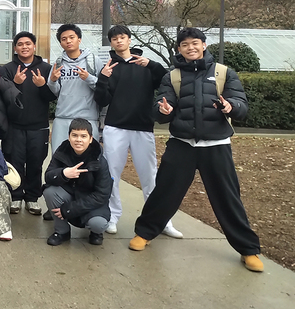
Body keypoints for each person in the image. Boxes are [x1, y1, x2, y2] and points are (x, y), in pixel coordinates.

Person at [130, 28, 264, 273]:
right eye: (184, 44)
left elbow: (242, 106)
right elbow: (159, 106)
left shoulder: (224, 73)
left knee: (227, 198)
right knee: (165, 192)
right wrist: (164, 110)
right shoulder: (173, 76)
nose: (190, 47)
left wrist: (229, 107)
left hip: (216, 146)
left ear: (203, 45)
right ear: (179, 49)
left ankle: (248, 249)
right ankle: (145, 233)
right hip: (182, 144)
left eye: (194, 43)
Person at [94, 25, 182, 238]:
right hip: (115, 127)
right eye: (114, 39)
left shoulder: (145, 64)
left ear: (130, 40)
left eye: (122, 37)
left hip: (143, 127)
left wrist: (151, 64)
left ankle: (160, 220)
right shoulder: (109, 67)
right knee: (111, 174)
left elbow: (166, 81)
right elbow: (101, 100)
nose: (119, 41)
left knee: (149, 176)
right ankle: (112, 216)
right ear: (111, 43)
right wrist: (103, 78)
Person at [0, 31, 55, 216]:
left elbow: (52, 97)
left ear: (34, 46)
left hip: (39, 126)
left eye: (28, 43)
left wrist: (42, 85)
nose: (24, 47)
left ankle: (32, 198)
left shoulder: (46, 68)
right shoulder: (8, 69)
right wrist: (16, 83)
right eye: (20, 44)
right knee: (14, 162)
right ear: (15, 48)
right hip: (15, 126)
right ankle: (16, 196)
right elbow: (4, 97)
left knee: (36, 163)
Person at [43, 118, 112, 246]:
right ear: (69, 137)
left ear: (91, 139)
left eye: (83, 136)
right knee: (50, 192)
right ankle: (62, 231)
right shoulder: (62, 151)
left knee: (98, 224)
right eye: (74, 135)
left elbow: (102, 195)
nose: (78, 140)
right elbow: (48, 176)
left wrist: (69, 209)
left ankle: (96, 233)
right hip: (70, 194)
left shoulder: (100, 161)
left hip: (90, 201)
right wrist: (63, 173)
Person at [47, 24, 103, 152]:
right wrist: (52, 81)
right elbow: (55, 92)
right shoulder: (58, 63)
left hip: (88, 118)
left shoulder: (94, 61)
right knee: (59, 157)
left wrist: (89, 78)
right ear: (60, 42)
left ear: (79, 39)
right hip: (63, 118)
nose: (68, 41)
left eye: (72, 37)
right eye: (64, 39)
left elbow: (103, 89)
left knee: (89, 159)